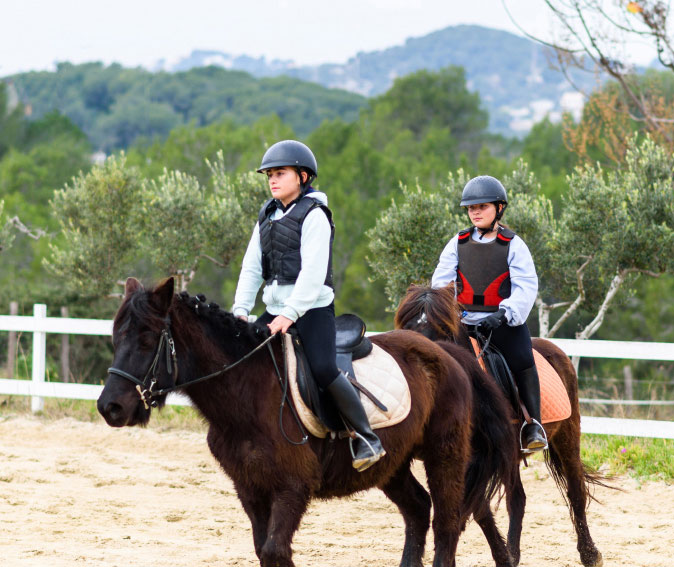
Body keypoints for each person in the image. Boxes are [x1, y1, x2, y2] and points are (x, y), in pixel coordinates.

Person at [232, 139, 386, 471]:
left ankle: (365, 437)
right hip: (275, 309)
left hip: (312, 309)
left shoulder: (315, 215)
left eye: (280, 173)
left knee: (323, 368)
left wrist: (290, 314)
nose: (272, 179)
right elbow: (251, 267)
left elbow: (313, 273)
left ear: (303, 176)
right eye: (269, 174)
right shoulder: (268, 214)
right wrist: (241, 310)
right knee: (242, 361)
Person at [431, 175, 547, 453]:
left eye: (482, 206)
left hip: (501, 323)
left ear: (499, 208)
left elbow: (525, 286)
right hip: (462, 322)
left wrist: (505, 313)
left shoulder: (513, 244)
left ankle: (533, 425)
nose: (475, 212)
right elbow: (440, 282)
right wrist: (451, 311)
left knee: (521, 357)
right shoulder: (457, 243)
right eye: (471, 208)